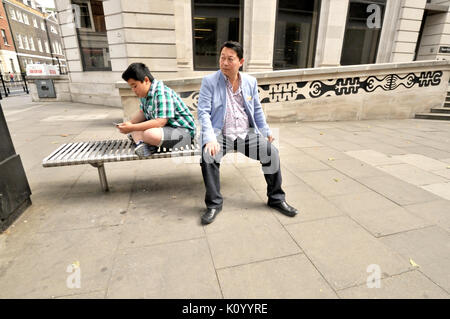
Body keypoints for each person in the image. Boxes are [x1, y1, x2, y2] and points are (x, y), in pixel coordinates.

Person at [197, 41, 298, 225]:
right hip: (221, 134)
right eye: (222, 58)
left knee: (271, 153)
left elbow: (257, 109)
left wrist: (265, 130)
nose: (225, 63)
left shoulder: (250, 82)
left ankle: (276, 199)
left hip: (245, 133)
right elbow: (203, 112)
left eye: (230, 59)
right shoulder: (210, 82)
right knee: (208, 157)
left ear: (240, 61)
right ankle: (214, 204)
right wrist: (210, 139)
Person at [118, 63, 196, 157]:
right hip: (166, 129)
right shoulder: (145, 94)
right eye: (131, 87)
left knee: (148, 134)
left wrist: (132, 128)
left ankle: (146, 143)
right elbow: (142, 112)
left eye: (135, 86)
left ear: (146, 80)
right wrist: (129, 123)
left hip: (184, 133)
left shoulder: (161, 93)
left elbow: (160, 122)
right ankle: (143, 145)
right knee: (135, 127)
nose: (133, 90)